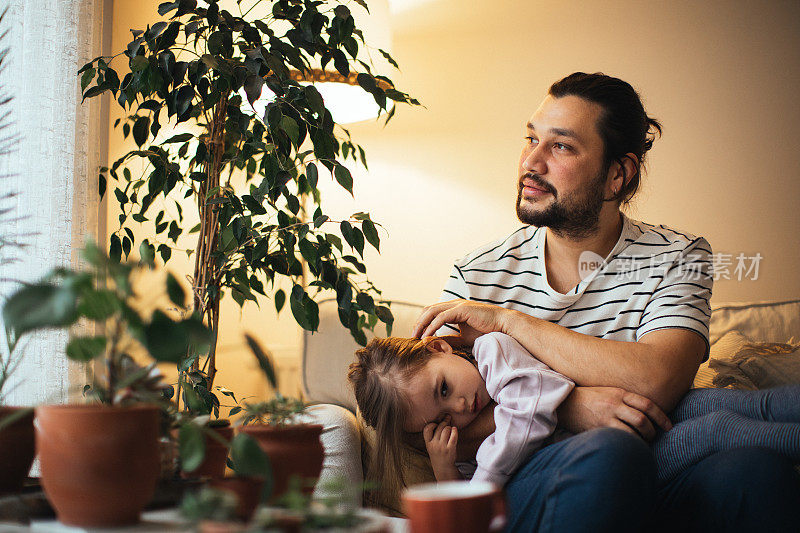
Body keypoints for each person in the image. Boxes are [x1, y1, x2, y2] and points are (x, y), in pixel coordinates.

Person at [408, 72, 800, 532]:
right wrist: (570, 405)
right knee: (611, 453)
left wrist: (509, 322)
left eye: (561, 146)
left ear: (618, 174)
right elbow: (414, 420)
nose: (531, 162)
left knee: (755, 472)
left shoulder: (680, 256)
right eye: (530, 138)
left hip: (662, 468)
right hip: (537, 481)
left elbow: (657, 378)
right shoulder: (477, 273)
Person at [348, 332, 800, 491]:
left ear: (440, 347)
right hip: (632, 449)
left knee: (752, 404)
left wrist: (482, 480)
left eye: (444, 387)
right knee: (717, 430)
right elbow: (465, 515)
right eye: (441, 417)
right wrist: (445, 468)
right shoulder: (463, 447)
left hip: (645, 405)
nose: (461, 407)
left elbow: (528, 413)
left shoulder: (492, 351)